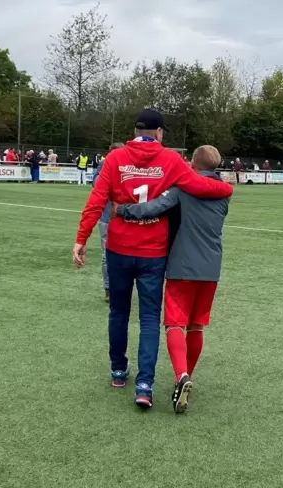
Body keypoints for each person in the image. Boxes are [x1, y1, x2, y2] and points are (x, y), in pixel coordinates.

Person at [72, 109, 234, 409]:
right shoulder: (172, 161)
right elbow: (200, 185)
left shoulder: (115, 158)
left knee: (118, 312)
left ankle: (119, 372)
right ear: (159, 133)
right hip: (153, 252)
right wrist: (227, 187)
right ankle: (145, 386)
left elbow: (96, 200)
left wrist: (81, 239)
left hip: (119, 248)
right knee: (149, 319)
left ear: (135, 131)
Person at [114, 145, 229, 414]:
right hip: (212, 267)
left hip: (182, 265)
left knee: (174, 323)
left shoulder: (183, 188)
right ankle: (187, 376)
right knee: (197, 326)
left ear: (193, 164)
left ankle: (181, 376)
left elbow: (154, 208)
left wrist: (123, 211)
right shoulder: (224, 194)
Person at [91, 143, 125, 304]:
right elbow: (97, 183)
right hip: (107, 218)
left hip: (126, 218)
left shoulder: (129, 167)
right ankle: (109, 289)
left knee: (126, 256)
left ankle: (120, 288)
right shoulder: (104, 166)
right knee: (107, 256)